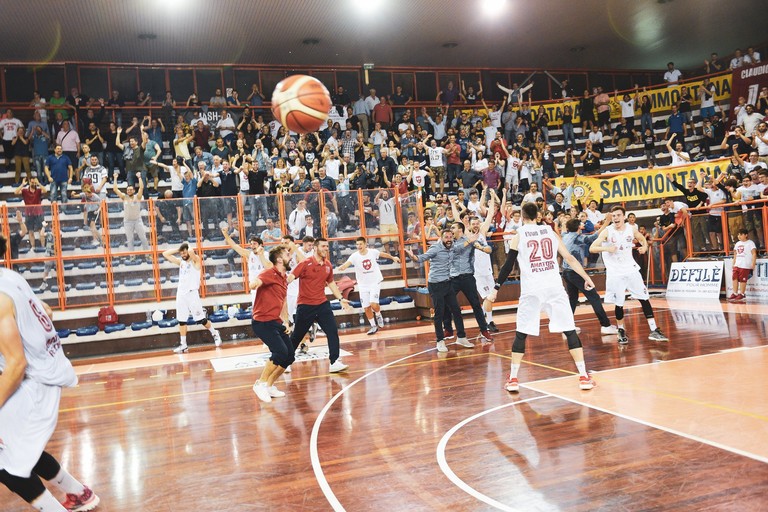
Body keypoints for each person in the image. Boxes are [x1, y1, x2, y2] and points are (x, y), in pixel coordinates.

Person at [0, 234, 100, 512]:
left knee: (7, 465)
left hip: (32, 384)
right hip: (41, 376)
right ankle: (78, 494)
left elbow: (16, 365)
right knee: (16, 448)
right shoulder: (8, 276)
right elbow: (46, 309)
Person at [486, 202, 597, 392]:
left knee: (522, 332)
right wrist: (586, 278)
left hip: (532, 289)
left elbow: (508, 265)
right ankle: (583, 376)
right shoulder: (550, 231)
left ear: (522, 215)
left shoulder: (519, 235)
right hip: (554, 287)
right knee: (569, 330)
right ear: (537, 215)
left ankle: (513, 379)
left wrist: (496, 287)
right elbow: (569, 258)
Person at [590, 206, 668, 345]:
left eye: (618, 215)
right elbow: (592, 248)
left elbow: (642, 238)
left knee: (644, 298)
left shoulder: (630, 229)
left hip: (631, 270)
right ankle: (620, 330)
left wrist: (644, 246)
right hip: (615, 273)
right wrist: (607, 248)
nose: (615, 218)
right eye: (613, 216)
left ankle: (654, 329)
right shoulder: (608, 231)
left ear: (624, 217)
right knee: (619, 303)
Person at [287, 238, 353, 373]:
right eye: (323, 246)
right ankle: (285, 362)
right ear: (315, 248)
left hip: (322, 304)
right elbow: (291, 277)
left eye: (327, 247)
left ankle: (334, 362)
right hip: (305, 306)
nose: (326, 249)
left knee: (332, 331)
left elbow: (331, 283)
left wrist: (340, 298)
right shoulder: (305, 263)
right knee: (297, 336)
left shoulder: (328, 265)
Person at [404, 229, 470, 352]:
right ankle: (440, 341)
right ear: (441, 238)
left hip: (448, 282)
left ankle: (461, 337)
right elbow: (421, 258)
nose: (449, 239)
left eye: (450, 237)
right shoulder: (435, 248)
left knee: (456, 310)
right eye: (446, 237)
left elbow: (461, 247)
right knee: (439, 313)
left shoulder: (453, 246)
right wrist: (413, 256)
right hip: (436, 285)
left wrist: (472, 239)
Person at [249, 245, 294, 403]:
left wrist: (286, 321)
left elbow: (282, 302)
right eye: (287, 254)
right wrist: (254, 284)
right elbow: (257, 281)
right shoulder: (269, 273)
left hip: (275, 321)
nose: (290, 256)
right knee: (280, 352)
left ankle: (269, 386)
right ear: (280, 259)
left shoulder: (283, 277)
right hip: (262, 321)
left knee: (289, 356)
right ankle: (260, 384)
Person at [162, 243, 222, 353]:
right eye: (181, 253)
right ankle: (183, 345)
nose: (183, 254)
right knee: (181, 320)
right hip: (181, 294)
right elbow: (165, 254)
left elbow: (191, 253)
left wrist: (187, 248)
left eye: (184, 252)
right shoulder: (181, 263)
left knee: (201, 319)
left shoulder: (196, 261)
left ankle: (215, 333)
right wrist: (178, 249)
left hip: (192, 294)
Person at [561, 219, 617, 335]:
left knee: (572, 299)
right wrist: (606, 223)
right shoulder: (577, 238)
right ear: (578, 227)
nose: (582, 225)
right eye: (580, 224)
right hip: (575, 272)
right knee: (594, 297)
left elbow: (563, 231)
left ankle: (567, 326)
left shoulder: (565, 236)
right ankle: (605, 325)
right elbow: (595, 236)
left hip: (566, 271)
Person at [337, 237, 400, 335]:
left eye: (360, 244)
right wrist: (342, 267)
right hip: (363, 285)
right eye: (357, 244)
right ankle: (373, 326)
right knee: (366, 307)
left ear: (365, 244)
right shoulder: (354, 256)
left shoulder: (372, 252)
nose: (359, 246)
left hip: (374, 282)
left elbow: (383, 254)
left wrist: (393, 258)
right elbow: (347, 264)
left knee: (373, 304)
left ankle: (378, 314)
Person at [222, 227, 272, 306]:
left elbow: (268, 267)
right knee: (257, 312)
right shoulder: (249, 254)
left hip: (266, 287)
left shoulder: (267, 255)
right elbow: (234, 246)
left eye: (254, 244)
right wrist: (225, 234)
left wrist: (261, 254)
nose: (252, 246)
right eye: (251, 244)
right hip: (254, 288)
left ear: (261, 245)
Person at [728, 229, 757, 302]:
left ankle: (742, 294)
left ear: (746, 235)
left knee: (742, 280)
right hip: (737, 264)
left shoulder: (750, 243)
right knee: (734, 278)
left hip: (745, 264)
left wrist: (753, 263)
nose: (739, 236)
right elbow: (735, 254)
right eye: (738, 235)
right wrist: (733, 263)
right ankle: (734, 293)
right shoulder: (737, 243)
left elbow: (754, 253)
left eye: (741, 234)